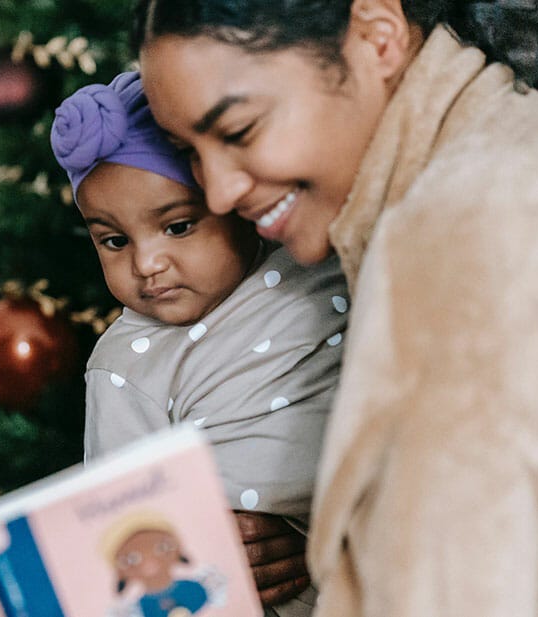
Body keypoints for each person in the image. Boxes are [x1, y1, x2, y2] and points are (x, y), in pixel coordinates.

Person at [133, 0, 538, 615]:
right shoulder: (513, 160)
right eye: (188, 150)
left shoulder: (460, 229)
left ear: (378, 39)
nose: (218, 190)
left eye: (240, 131)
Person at [51, 70, 348, 617]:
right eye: (114, 241)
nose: (147, 264)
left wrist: (321, 544)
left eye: (179, 226)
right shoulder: (124, 370)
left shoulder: (320, 261)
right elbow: (125, 533)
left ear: (231, 197)